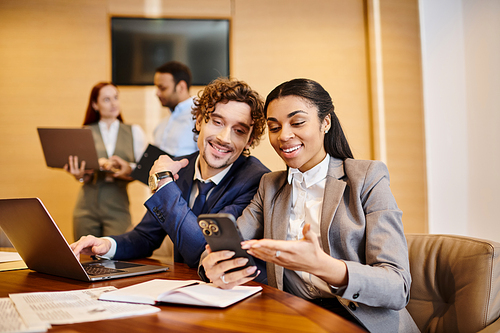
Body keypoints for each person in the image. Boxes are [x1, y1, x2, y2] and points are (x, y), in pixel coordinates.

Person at [200, 78, 419, 332]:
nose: (284, 136)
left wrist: (323, 266)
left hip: (364, 322)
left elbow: (397, 286)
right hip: (296, 319)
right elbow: (230, 241)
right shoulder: (269, 186)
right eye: (274, 127)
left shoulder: (367, 177)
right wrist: (210, 266)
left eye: (298, 122)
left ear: (325, 122)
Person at [70, 78, 270, 270]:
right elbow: (146, 236)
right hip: (179, 287)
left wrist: (164, 184)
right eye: (217, 122)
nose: (224, 138)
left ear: (250, 141)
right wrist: (107, 244)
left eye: (239, 131)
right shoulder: (181, 166)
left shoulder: (256, 180)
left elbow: (203, 250)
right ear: (199, 121)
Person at [64, 82, 147, 240]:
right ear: (95, 104)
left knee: (117, 258)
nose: (113, 103)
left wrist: (125, 167)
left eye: (116, 98)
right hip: (85, 209)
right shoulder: (85, 132)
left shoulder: (134, 132)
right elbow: (84, 177)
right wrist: (79, 175)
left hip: (118, 207)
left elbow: (144, 171)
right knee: (85, 258)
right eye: (107, 99)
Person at [153, 61, 198, 156]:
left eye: (163, 88)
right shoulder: (163, 123)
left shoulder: (198, 118)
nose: (157, 93)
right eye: (157, 88)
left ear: (181, 87)